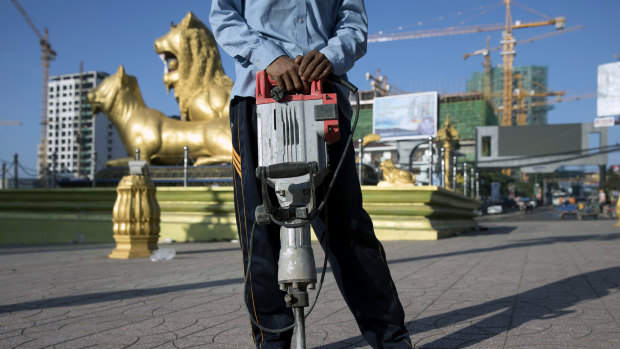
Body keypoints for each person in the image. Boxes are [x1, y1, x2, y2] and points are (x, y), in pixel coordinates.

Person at [210, 2, 412, 348]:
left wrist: (330, 55)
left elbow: (352, 23)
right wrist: (269, 56)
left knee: (348, 229)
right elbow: (224, 16)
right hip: (256, 97)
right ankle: (272, 341)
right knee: (261, 232)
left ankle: (390, 339)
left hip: (325, 97)